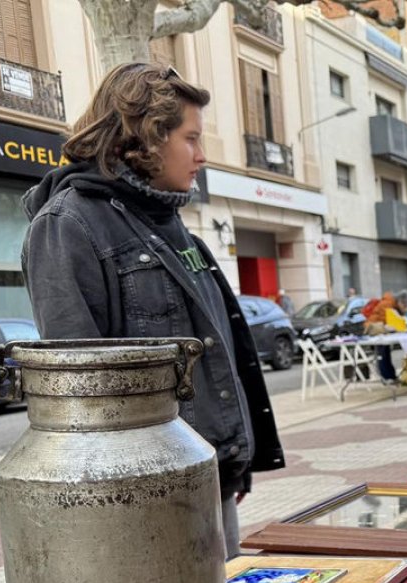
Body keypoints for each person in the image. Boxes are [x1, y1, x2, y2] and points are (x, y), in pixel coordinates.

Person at [21, 63, 285, 557]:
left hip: (206, 475)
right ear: (146, 136)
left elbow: (214, 350)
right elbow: (81, 397)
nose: (202, 156)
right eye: (191, 138)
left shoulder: (165, 220)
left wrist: (234, 457)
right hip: (147, 500)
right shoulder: (67, 225)